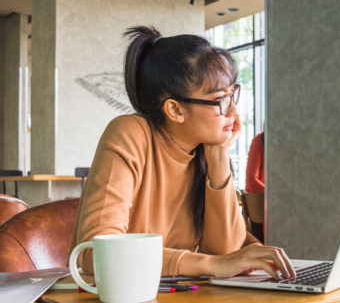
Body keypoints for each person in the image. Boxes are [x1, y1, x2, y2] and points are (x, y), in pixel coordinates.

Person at [71, 26, 295, 280]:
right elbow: (97, 254)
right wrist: (211, 265)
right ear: (175, 110)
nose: (233, 111)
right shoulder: (129, 133)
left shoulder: (204, 151)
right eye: (221, 99)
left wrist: (219, 154)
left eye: (233, 94)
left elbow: (225, 250)